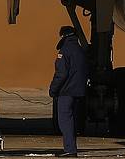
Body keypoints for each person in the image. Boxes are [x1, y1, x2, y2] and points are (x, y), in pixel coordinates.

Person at [49, 25, 88, 157]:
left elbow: (61, 73)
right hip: (78, 91)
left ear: (63, 36)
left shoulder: (64, 50)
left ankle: (70, 150)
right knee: (72, 121)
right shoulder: (81, 50)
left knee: (65, 121)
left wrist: (53, 90)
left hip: (66, 91)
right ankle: (71, 148)